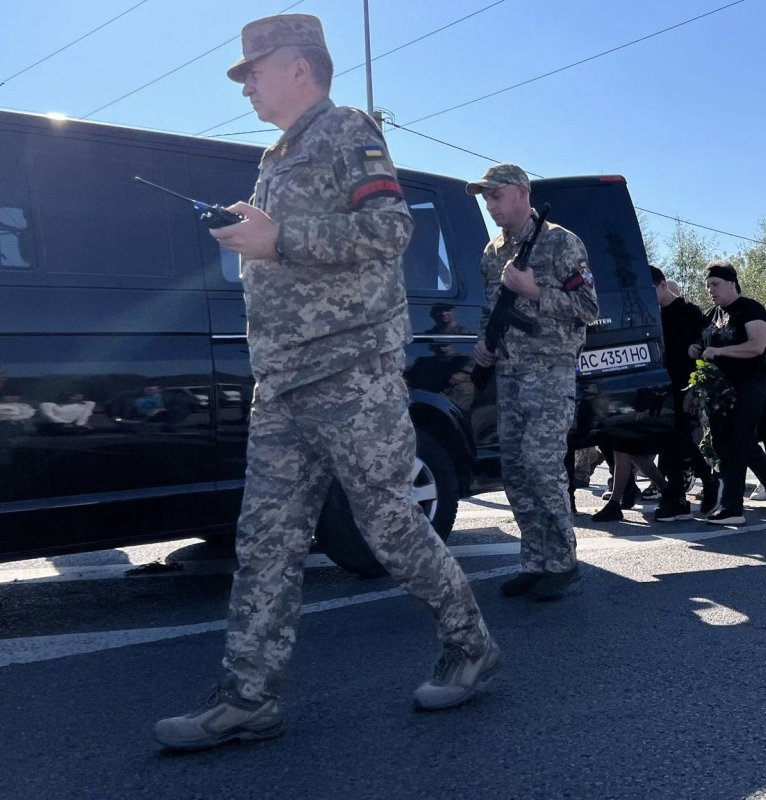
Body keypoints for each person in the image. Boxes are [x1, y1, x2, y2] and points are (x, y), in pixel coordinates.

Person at [155, 14, 497, 752]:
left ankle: (469, 644)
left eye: (254, 71)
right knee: (265, 543)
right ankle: (247, 698)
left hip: (349, 371)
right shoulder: (276, 157)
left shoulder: (348, 128)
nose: (246, 85)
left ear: (298, 67)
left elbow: (390, 230)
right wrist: (258, 228)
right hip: (281, 379)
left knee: (388, 523)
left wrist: (281, 238)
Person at [469, 163, 599, 592]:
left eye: (496, 195)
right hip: (508, 372)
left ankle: (562, 563)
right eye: (485, 197)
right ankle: (535, 561)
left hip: (549, 371)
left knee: (543, 467)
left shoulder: (560, 242)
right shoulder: (493, 253)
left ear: (522, 194)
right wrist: (484, 343)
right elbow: (492, 311)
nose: (490, 205)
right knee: (516, 470)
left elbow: (588, 308)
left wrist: (535, 292)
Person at [689, 261, 766, 525]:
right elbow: (703, 340)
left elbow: (756, 346)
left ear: (731, 283)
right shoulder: (713, 314)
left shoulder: (750, 308)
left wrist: (720, 352)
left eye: (716, 284)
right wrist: (696, 348)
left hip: (749, 384)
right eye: (708, 285)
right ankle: (733, 508)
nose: (711, 290)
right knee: (723, 444)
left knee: (743, 440)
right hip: (720, 388)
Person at [651, 266, 716, 521]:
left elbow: (706, 337)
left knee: (677, 438)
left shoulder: (688, 311)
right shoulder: (654, 314)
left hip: (685, 384)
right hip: (662, 384)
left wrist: (697, 346)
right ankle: (683, 492)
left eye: (651, 290)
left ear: (663, 285)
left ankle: (690, 488)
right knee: (671, 441)